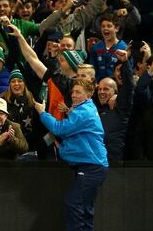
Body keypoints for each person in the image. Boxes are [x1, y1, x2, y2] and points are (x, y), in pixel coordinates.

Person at [36, 77, 108, 231]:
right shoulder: (85, 109)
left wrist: (42, 113)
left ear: (88, 94)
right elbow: (74, 136)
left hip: (91, 167)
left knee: (73, 203)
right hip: (94, 166)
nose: (73, 95)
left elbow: (59, 129)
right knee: (85, 209)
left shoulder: (83, 112)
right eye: (73, 92)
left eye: (78, 92)